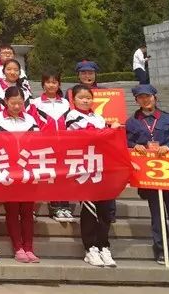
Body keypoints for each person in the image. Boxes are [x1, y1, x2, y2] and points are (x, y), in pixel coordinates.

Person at [126, 83, 169, 266]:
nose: (145, 100)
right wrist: (134, 146)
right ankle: (161, 250)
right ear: (136, 100)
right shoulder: (132, 122)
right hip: (149, 174)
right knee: (157, 214)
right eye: (141, 97)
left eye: (148, 96)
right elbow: (125, 145)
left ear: (155, 97)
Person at [67, 84, 120, 267]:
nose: (85, 100)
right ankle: (90, 248)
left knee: (105, 209)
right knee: (89, 209)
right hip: (84, 168)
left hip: (101, 166)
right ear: (73, 100)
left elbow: (107, 139)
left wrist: (109, 131)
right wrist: (109, 130)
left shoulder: (98, 117)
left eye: (88, 97)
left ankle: (103, 245)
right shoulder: (72, 116)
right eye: (81, 97)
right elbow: (88, 136)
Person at [0, 86, 40, 262]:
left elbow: (38, 142)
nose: (16, 106)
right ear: (6, 102)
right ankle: (18, 247)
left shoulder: (30, 119)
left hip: (28, 170)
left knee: (27, 211)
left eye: (19, 103)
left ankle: (29, 247)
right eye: (12, 103)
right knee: (12, 210)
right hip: (8, 169)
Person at [31, 71, 75, 222]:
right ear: (43, 84)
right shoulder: (35, 103)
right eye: (48, 82)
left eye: (54, 82)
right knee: (49, 176)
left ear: (59, 85)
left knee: (63, 176)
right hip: (44, 146)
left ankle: (65, 206)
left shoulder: (65, 103)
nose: (51, 85)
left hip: (63, 145)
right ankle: (54, 207)